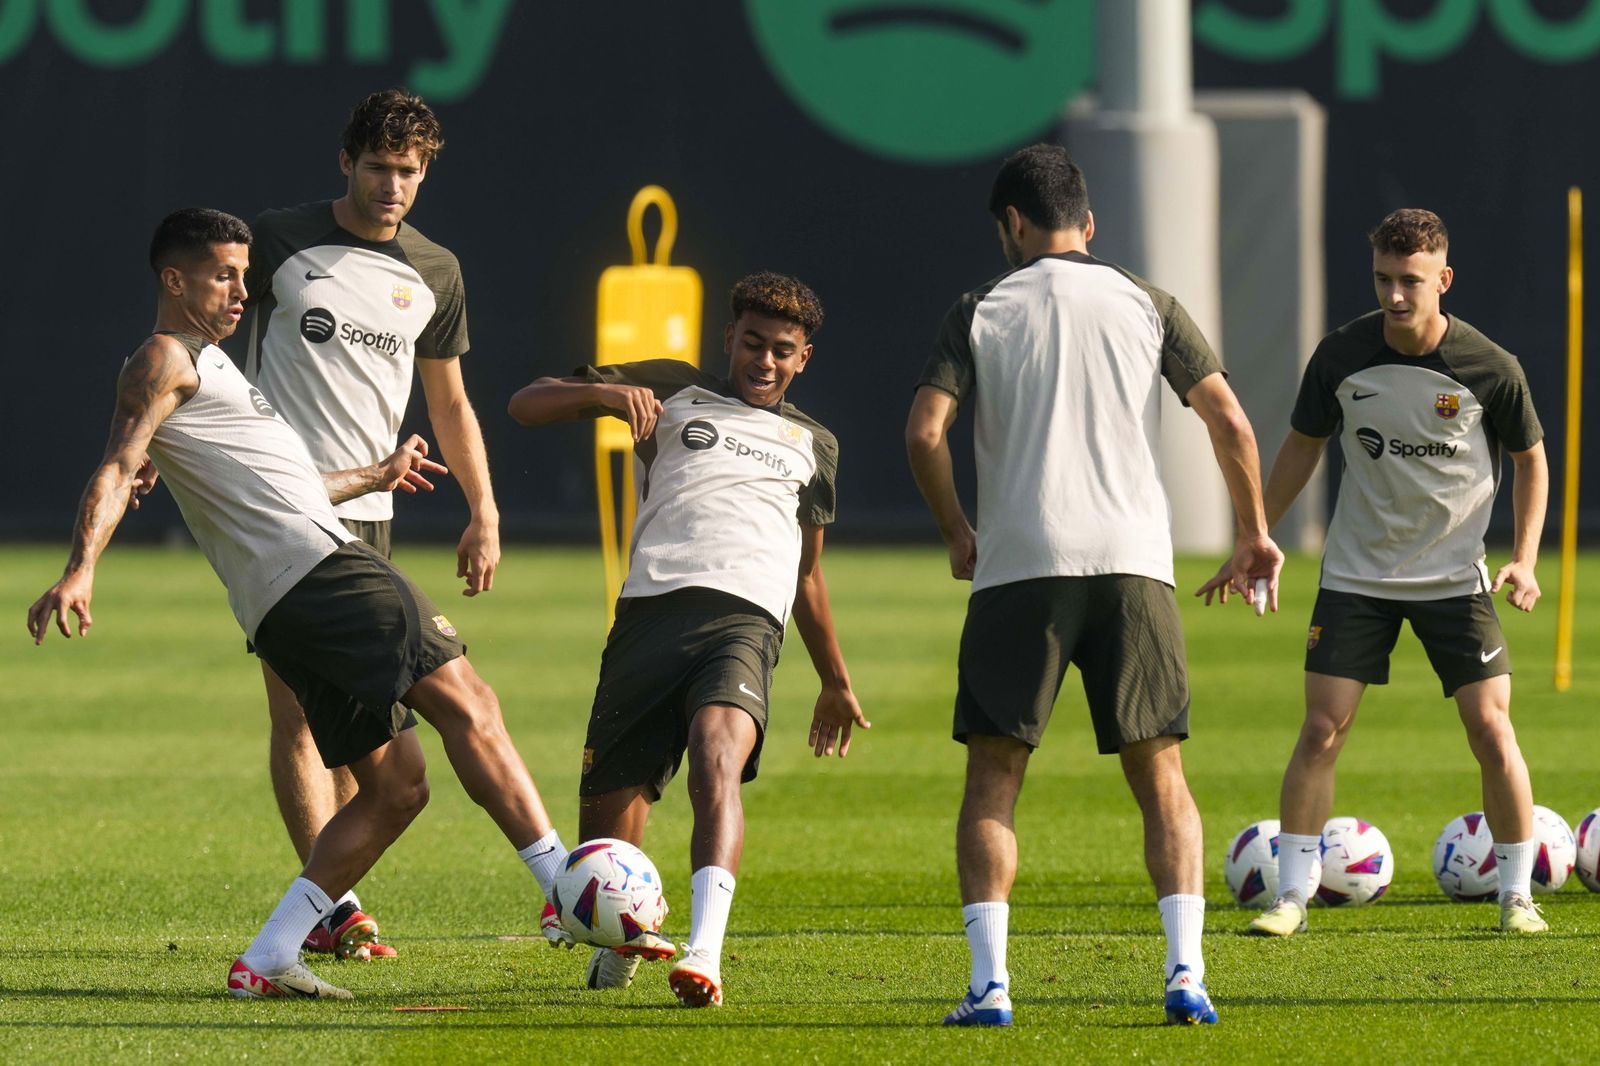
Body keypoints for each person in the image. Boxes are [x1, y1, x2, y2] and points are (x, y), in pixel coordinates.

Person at [27, 207, 568, 1000]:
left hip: (288, 598)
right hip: (322, 573)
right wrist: (81, 568)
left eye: (246, 275)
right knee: (469, 699)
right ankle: (571, 892)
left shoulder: (214, 370)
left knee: (398, 786)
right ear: (174, 280)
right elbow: (117, 467)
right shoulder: (164, 359)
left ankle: (271, 955)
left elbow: (287, 488)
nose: (242, 291)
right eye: (223, 275)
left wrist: (374, 476)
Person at [906, 144, 1283, 1028]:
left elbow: (925, 432)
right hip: (1132, 565)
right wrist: (1254, 532)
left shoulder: (980, 308)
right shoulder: (1147, 302)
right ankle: (1186, 973)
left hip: (1021, 565)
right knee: (1163, 778)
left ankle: (991, 985)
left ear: (1012, 223)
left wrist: (957, 529)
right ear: (1088, 222)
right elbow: (1228, 417)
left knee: (994, 780)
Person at [507, 271, 870, 1008]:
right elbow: (524, 405)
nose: (764, 361)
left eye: (782, 351)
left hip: (742, 624)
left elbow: (807, 575)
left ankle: (704, 952)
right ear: (726, 340)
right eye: (753, 343)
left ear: (804, 360)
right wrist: (603, 394)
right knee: (603, 849)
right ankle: (621, 943)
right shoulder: (673, 389)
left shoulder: (813, 443)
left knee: (716, 759)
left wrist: (834, 678)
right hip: (647, 619)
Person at [1199, 208, 1550, 937]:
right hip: (1357, 576)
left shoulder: (1491, 367)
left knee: (1491, 727)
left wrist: (1523, 556)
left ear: (1443, 280)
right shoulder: (1342, 355)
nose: (1395, 296)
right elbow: (1301, 446)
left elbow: (1531, 461)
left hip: (1456, 580)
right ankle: (1291, 897)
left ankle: (1517, 895)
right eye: (1384, 279)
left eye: (1411, 282)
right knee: (1323, 729)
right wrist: (1255, 532)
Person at [235, 89, 504, 958]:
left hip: (374, 512)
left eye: (411, 172)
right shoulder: (276, 238)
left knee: (371, 725)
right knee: (299, 717)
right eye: (381, 167)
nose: (395, 186)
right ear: (345, 162)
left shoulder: (437, 271)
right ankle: (329, 916)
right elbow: (205, 342)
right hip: (279, 508)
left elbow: (451, 401)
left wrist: (484, 508)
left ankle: (323, 899)